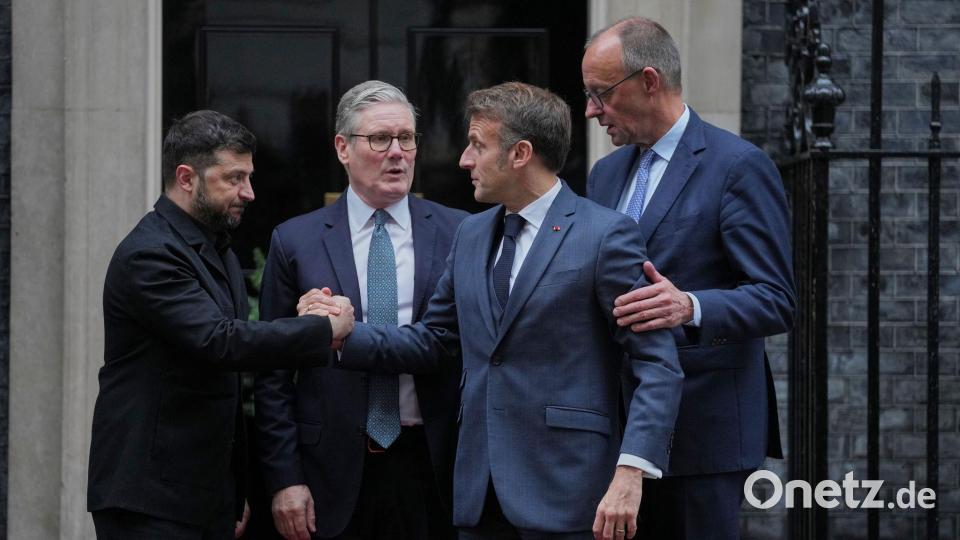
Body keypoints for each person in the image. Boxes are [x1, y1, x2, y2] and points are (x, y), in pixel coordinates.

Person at [319, 82, 682, 540]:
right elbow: (435, 339)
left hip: (572, 494)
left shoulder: (605, 236)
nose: (463, 161)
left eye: (476, 145)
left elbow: (657, 365)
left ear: (520, 153)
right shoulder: (470, 235)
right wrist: (341, 332)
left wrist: (631, 472)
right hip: (477, 493)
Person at [87, 110, 355, 540]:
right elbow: (220, 342)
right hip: (149, 500)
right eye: (233, 178)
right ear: (186, 177)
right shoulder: (150, 254)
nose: (249, 192)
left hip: (199, 495)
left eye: (248, 177)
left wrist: (231, 490)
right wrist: (323, 329)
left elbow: (222, 374)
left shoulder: (216, 249)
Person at [581, 17, 796, 540]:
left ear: (649, 80)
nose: (590, 110)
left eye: (599, 93)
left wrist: (691, 307)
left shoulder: (738, 166)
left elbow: (775, 299)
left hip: (704, 432)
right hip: (616, 430)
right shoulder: (604, 174)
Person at [254, 80, 468, 540]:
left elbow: (460, 346)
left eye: (407, 138)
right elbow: (272, 376)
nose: (398, 153)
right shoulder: (295, 241)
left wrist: (341, 334)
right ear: (342, 148)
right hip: (329, 469)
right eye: (379, 139)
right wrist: (285, 478)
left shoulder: (460, 234)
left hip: (433, 465)